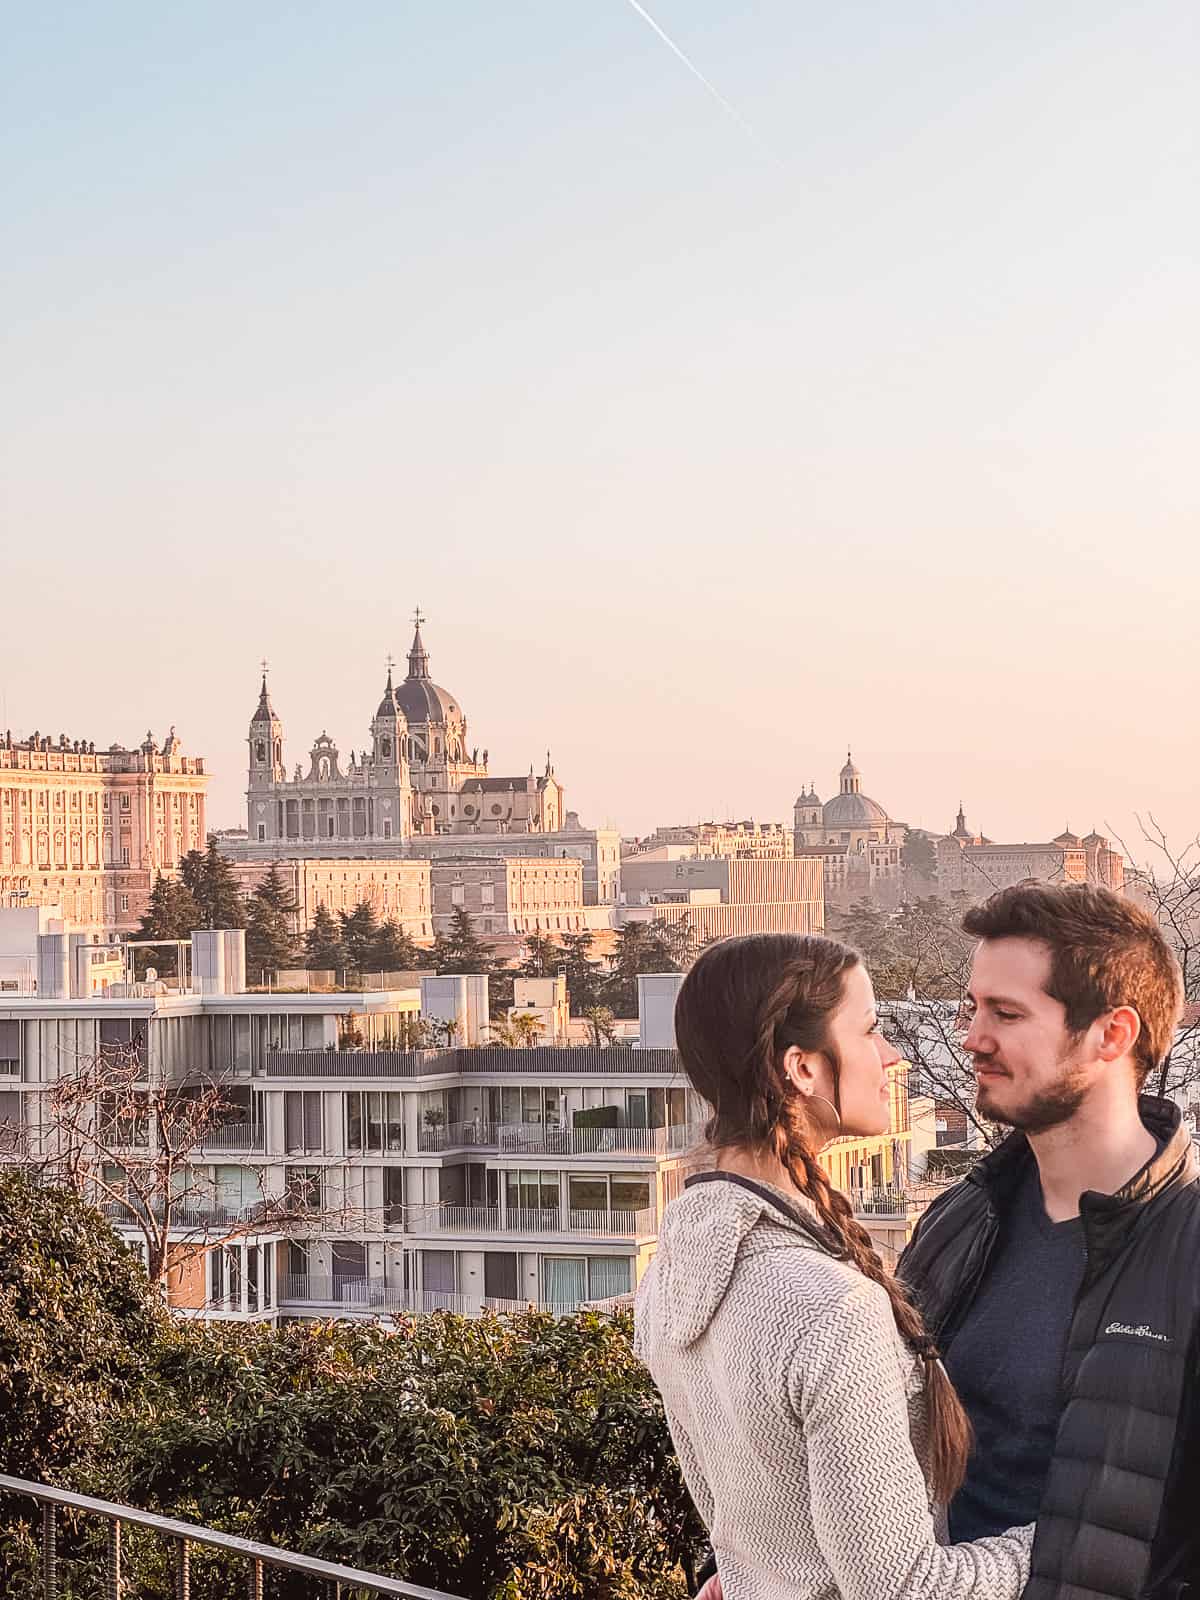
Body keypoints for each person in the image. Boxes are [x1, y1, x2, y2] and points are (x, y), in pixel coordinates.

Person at [634, 932, 1033, 1600]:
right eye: (870, 1031)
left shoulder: (672, 1270)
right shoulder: (828, 1307)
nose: (890, 1055)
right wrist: (1060, 1539)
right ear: (803, 1069)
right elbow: (907, 1587)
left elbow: (743, 1535)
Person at [898, 881, 1200, 1598]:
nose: (971, 1036)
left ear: (1112, 1035)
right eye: (972, 1007)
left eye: (1006, 1013)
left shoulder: (1188, 1253)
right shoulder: (956, 1222)